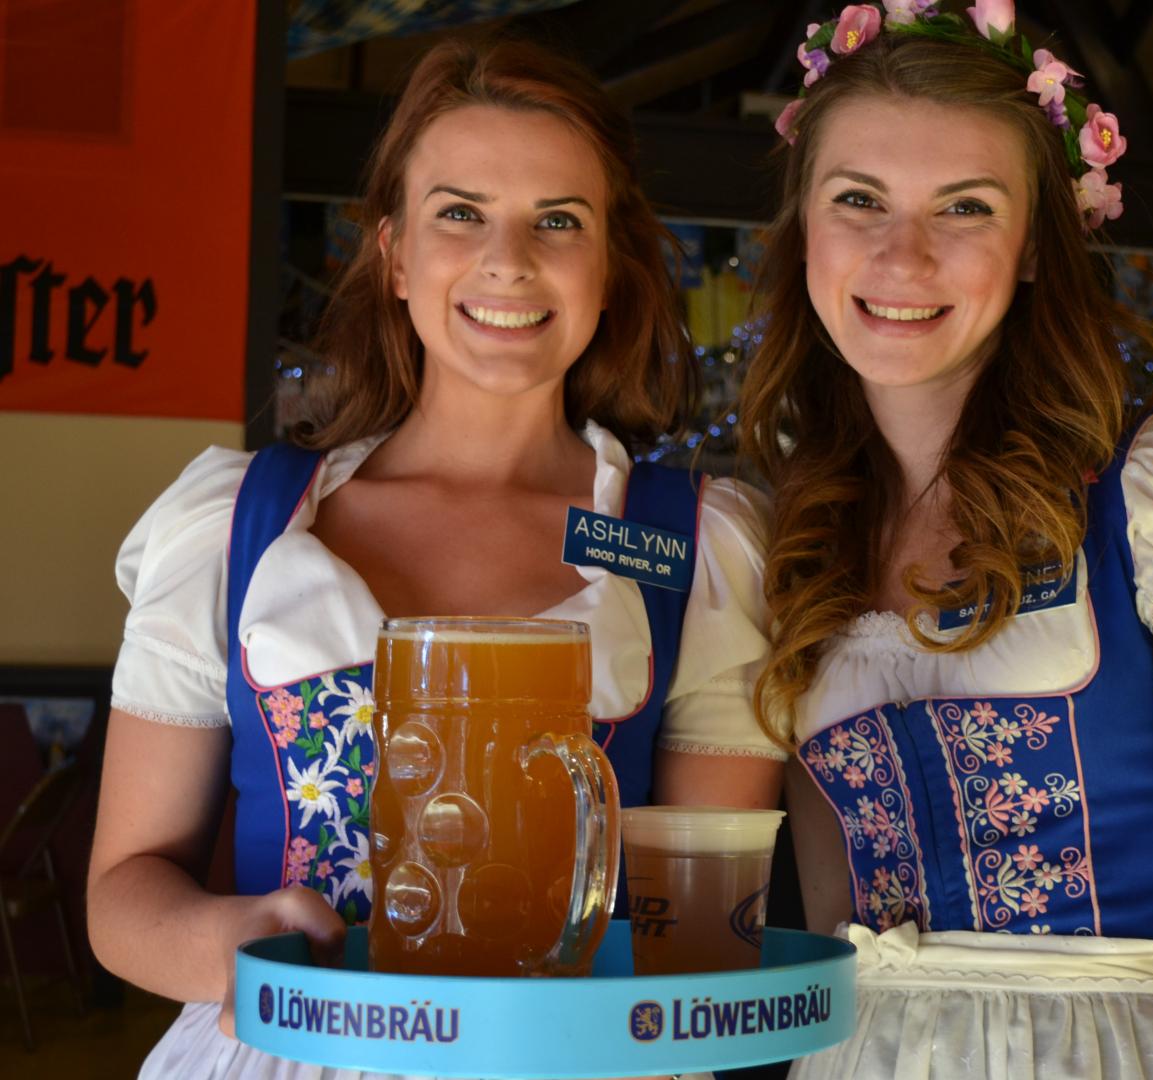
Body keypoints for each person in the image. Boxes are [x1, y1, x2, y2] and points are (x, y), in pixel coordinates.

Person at [87, 37, 785, 1079]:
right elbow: (123, 891)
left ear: (610, 268)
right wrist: (222, 948)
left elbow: (702, 937)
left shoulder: (696, 548)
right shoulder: (237, 522)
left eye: (560, 220)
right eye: (460, 213)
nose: (509, 259)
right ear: (395, 255)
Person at [740, 5, 1153, 1077]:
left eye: (965, 207)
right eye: (858, 199)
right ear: (806, 231)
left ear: (1030, 252)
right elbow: (835, 935)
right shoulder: (792, 541)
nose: (902, 254)